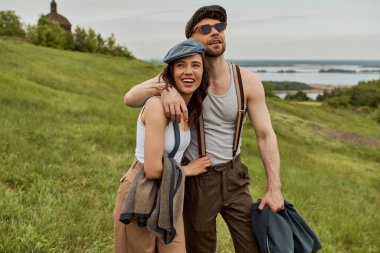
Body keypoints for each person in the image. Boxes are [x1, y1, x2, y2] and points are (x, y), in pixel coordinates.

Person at [124, 5, 284, 253]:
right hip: (198, 178)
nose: (215, 32)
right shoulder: (183, 76)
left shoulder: (248, 81)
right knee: (200, 247)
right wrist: (164, 89)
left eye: (220, 26)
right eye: (206, 28)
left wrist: (274, 188)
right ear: (192, 39)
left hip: (235, 175)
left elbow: (265, 135)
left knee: (254, 245)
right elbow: (131, 98)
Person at [113, 39, 211, 253]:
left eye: (195, 65)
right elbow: (152, 169)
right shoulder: (158, 106)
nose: (189, 72)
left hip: (169, 191)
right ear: (171, 71)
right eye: (180, 65)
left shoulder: (190, 108)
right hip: (141, 189)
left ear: (204, 71)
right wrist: (187, 169)